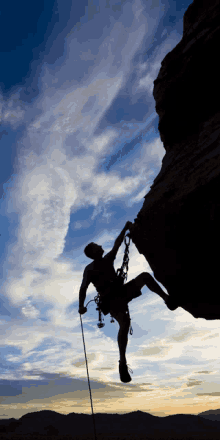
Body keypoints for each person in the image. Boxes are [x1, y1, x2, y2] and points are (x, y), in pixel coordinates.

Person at [78, 221, 170, 383]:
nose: (100, 245)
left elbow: (118, 244)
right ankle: (122, 362)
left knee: (145, 278)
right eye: (96, 245)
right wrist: (80, 305)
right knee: (125, 323)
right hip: (112, 299)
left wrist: (81, 306)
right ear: (93, 252)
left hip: (118, 294)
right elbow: (83, 288)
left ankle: (167, 299)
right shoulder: (93, 267)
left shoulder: (100, 263)